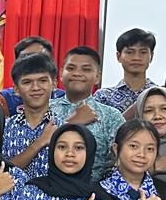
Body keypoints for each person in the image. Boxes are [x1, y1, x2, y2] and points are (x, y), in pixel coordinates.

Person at [49, 47, 124, 179]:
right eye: (71, 68)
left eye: (86, 69)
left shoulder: (111, 116)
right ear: (61, 73)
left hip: (95, 189)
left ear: (97, 77)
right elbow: (35, 148)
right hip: (47, 186)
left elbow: (119, 161)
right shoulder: (46, 109)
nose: (77, 73)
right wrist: (71, 122)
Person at [3, 52, 58, 178]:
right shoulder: (4, 128)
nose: (35, 88)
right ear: (16, 89)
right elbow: (1, 171)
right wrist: (40, 142)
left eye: (42, 81)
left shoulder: (64, 129)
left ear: (54, 84)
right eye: (27, 82)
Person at [94, 27, 156, 115]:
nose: (136, 58)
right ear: (118, 56)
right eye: (130, 52)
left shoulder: (160, 94)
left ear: (151, 56)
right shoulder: (103, 97)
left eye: (143, 52)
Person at [0, 36, 66, 114]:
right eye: (27, 58)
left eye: (40, 58)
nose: (35, 88)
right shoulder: (4, 99)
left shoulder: (66, 100)